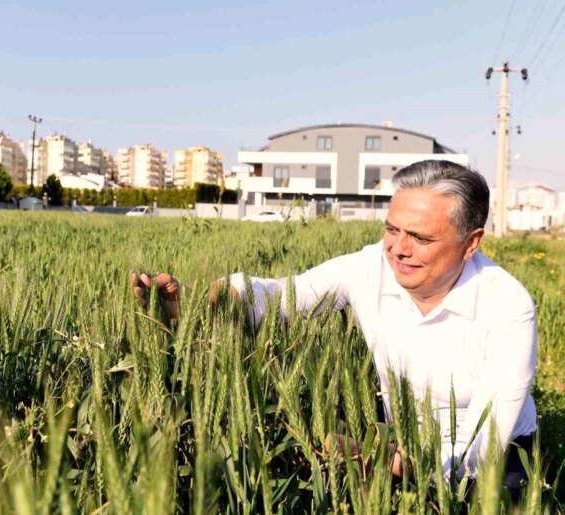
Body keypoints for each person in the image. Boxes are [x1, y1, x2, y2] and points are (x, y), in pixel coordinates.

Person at [130, 160, 537, 499]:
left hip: (494, 454)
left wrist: (386, 460)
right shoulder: (370, 265)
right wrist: (200, 303)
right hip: (396, 435)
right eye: (392, 229)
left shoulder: (508, 307)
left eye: (420, 237)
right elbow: (283, 298)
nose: (398, 249)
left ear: (471, 243)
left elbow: (480, 449)